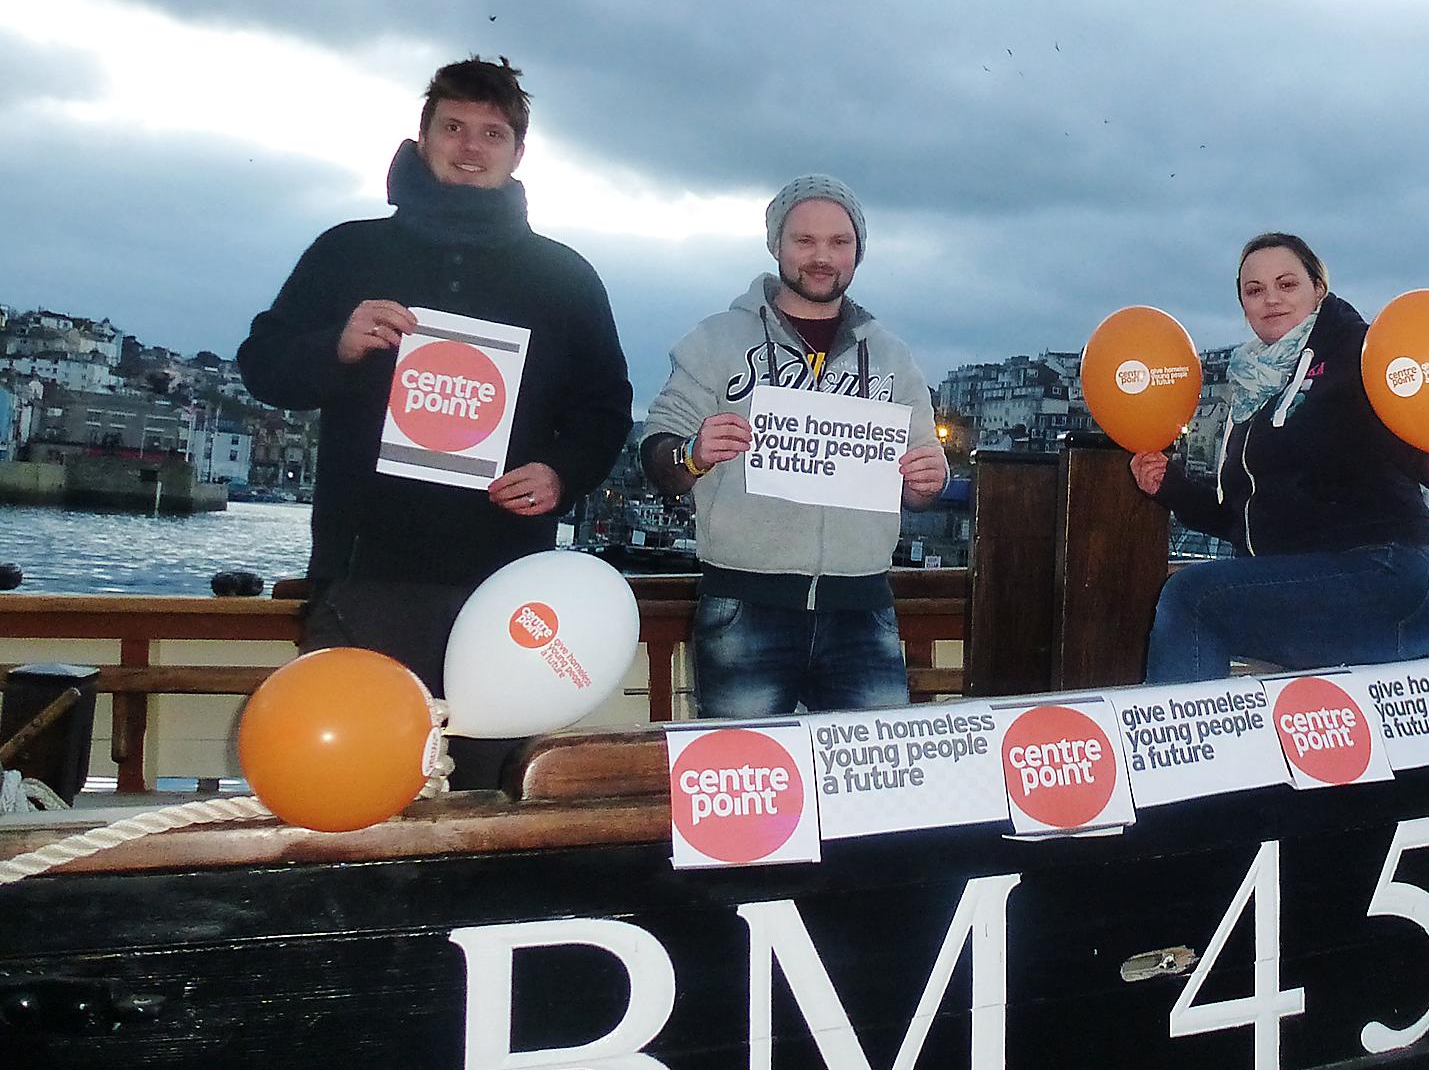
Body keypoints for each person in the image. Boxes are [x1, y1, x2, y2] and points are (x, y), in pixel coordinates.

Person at [238, 56, 633, 786]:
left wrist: (561, 473)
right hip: (362, 575)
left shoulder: (565, 276)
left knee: (492, 790)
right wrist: (337, 344)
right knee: (348, 781)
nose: (471, 146)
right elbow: (261, 366)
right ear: (422, 138)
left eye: (492, 133)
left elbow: (607, 407)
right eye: (453, 126)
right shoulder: (347, 250)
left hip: (505, 583)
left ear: (518, 154)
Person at [641, 174, 947, 717]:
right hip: (744, 606)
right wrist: (692, 452)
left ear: (858, 252)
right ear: (775, 244)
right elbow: (656, 453)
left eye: (839, 242)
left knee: (876, 784)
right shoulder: (714, 341)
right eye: (804, 241)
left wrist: (929, 480)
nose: (822, 257)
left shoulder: (894, 356)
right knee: (745, 783)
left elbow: (923, 477)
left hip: (863, 608)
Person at [1131, 232, 1429, 684]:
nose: (1270, 298)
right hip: (1306, 583)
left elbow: (1398, 421)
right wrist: (1168, 485)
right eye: (1254, 290)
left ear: (1319, 290)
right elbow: (1238, 517)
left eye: (1286, 284)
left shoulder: (1357, 355)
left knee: (1192, 598)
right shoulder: (1254, 390)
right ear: (1244, 305)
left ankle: (1186, 751)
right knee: (1196, 603)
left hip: (1384, 577)